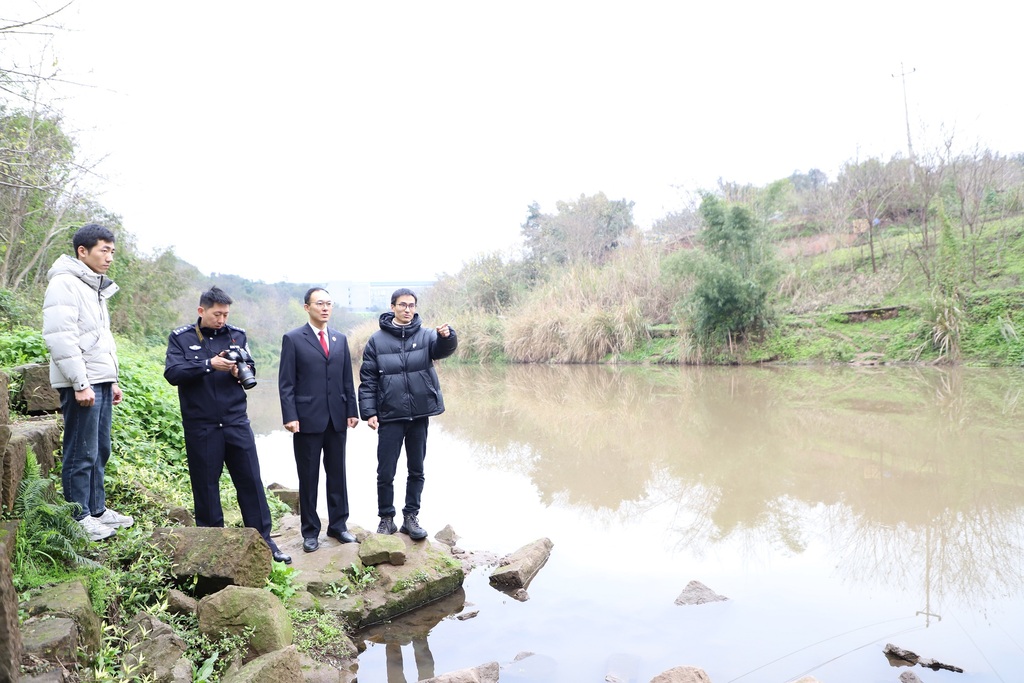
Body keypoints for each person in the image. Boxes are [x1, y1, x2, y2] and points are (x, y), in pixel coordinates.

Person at [164, 286, 291, 564]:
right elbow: (173, 373)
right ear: (202, 311)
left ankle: (264, 542)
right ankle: (212, 545)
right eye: (216, 314)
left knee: (251, 482)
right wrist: (209, 364)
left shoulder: (237, 335)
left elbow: (251, 369)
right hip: (202, 425)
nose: (221, 319)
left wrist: (238, 370)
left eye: (225, 314)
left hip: (236, 421)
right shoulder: (181, 338)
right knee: (206, 486)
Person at [42, 224, 135, 541]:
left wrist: (112, 380)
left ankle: (97, 509)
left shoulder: (93, 286)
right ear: (83, 251)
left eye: (112, 251)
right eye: (103, 250)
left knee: (100, 448)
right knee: (80, 451)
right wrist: (80, 382)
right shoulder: (65, 283)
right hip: (81, 382)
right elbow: (61, 337)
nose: (109, 257)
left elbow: (99, 339)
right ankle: (77, 515)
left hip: (100, 380)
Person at [359, 288, 457, 540]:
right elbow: (368, 379)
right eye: (402, 305)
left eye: (411, 305)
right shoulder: (376, 341)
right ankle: (386, 519)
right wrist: (369, 411)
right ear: (392, 307)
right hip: (390, 415)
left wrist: (447, 337)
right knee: (386, 472)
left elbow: (442, 350)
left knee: (416, 469)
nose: (407, 309)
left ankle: (411, 518)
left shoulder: (426, 336)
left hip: (419, 415)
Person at [278, 287, 360, 553]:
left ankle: (338, 525)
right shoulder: (293, 339)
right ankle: (310, 531)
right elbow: (286, 383)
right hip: (306, 420)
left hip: (337, 419)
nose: (325, 308)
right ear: (307, 307)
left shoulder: (339, 339)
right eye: (319, 303)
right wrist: (290, 415)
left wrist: (352, 410)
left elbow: (347, 379)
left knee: (338, 474)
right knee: (309, 476)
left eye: (328, 303)